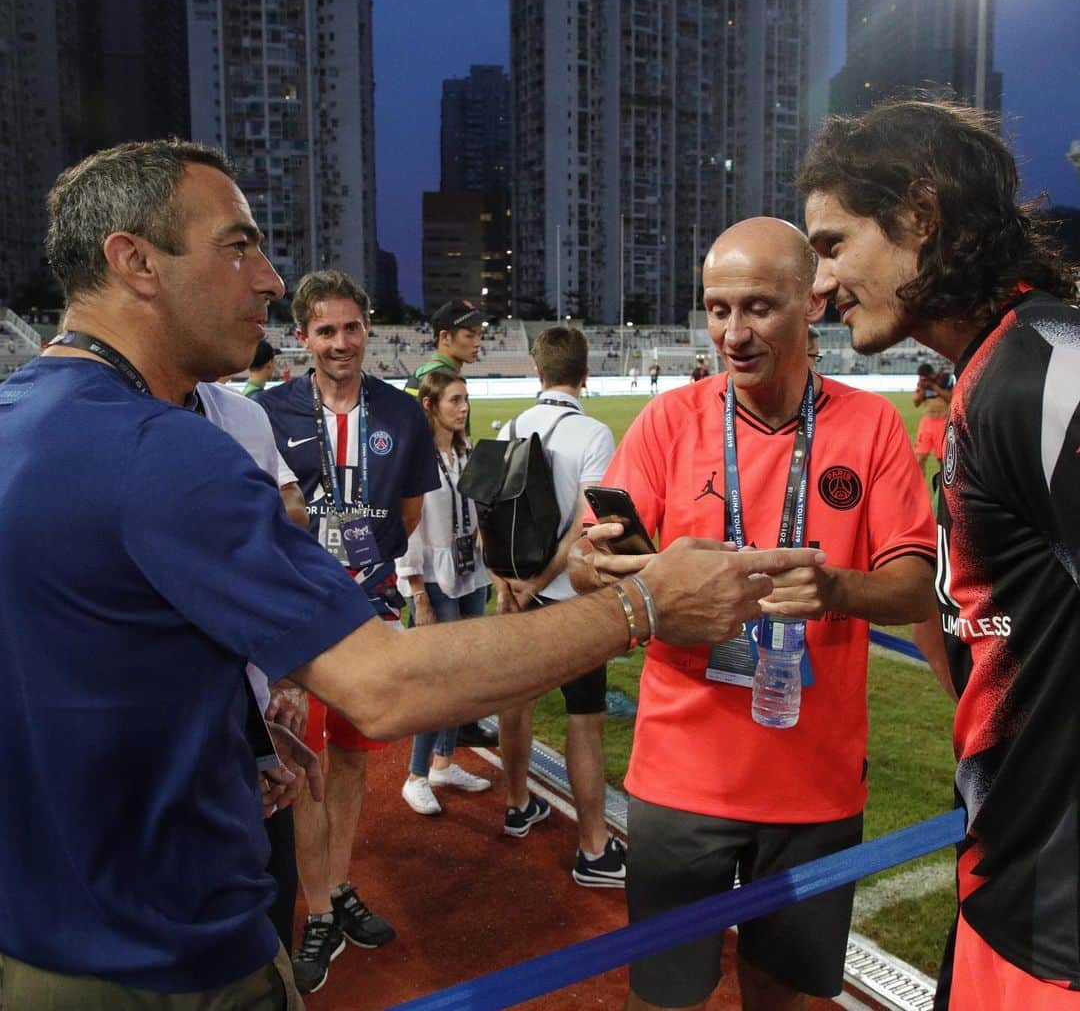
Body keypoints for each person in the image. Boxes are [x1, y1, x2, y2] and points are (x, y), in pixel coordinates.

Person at [0, 138, 825, 1009]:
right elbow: (383, 685)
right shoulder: (163, 450)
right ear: (133, 262)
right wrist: (645, 602)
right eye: (237, 246)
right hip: (166, 957)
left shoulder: (24, 417)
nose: (270, 279)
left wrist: (226, 727)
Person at [570, 216, 938, 1011]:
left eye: (759, 308)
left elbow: (916, 583)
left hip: (814, 786)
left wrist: (836, 590)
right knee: (664, 996)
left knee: (782, 996)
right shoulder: (671, 421)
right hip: (681, 779)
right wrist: (593, 559)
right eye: (717, 309)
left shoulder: (870, 425)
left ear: (812, 302)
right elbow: (589, 561)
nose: (732, 334)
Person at [799, 99, 1080, 1011]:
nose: (819, 286)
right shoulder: (996, 371)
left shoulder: (1045, 374)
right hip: (1011, 887)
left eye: (834, 245)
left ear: (921, 214)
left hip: (1056, 932)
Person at [254, 269, 436, 994]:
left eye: (352, 327)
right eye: (325, 330)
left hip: (369, 614)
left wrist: (371, 565)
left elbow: (412, 513)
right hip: (297, 625)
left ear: (369, 328)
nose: (341, 342)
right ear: (301, 337)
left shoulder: (401, 411)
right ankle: (321, 910)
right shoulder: (267, 412)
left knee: (357, 763)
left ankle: (338, 881)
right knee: (308, 769)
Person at [494, 327, 625, 886]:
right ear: (586, 374)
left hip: (515, 590)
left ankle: (518, 802)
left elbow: (490, 513)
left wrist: (509, 583)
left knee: (516, 699)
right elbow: (587, 527)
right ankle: (594, 848)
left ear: (537, 371)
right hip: (574, 599)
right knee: (585, 718)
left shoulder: (512, 426)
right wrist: (546, 579)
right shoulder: (594, 432)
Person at [195, 379, 314, 953]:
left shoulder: (242, 416)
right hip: (130, 792)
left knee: (269, 927)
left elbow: (266, 559)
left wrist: (268, 698)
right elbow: (380, 688)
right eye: (242, 276)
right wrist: (627, 604)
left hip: (251, 744)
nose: (271, 282)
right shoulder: (36, 424)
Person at [403, 296, 498, 750]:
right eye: (470, 334)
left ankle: (453, 733)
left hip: (452, 543)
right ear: (446, 337)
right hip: (433, 544)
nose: (478, 341)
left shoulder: (437, 379)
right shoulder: (430, 382)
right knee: (440, 659)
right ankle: (434, 750)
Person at [397, 370, 493, 815]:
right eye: (455, 400)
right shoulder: (413, 458)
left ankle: (444, 763)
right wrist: (416, 591)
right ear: (429, 405)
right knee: (438, 679)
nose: (464, 408)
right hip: (432, 577)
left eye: (466, 400)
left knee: (467, 674)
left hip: (470, 573)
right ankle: (416, 775)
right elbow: (406, 527)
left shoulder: (465, 452)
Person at [402, 297, 489, 397]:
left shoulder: (426, 373)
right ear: (445, 337)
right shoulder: (440, 379)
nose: (478, 343)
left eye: (480, 335)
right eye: (469, 336)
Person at [912, 362, 953, 477]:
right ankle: (919, 491)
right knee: (919, 458)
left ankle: (944, 489)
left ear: (932, 374)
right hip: (927, 422)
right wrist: (923, 388)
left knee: (943, 460)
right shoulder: (922, 384)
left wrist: (934, 387)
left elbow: (950, 397)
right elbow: (916, 402)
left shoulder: (945, 379)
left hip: (943, 422)